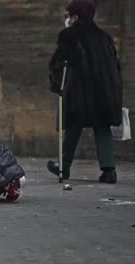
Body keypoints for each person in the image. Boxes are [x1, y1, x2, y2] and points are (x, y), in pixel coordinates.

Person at [47, 0, 123, 184]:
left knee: (73, 126)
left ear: (75, 16)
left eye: (69, 15)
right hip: (105, 92)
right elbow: (115, 66)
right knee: (102, 127)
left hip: (81, 93)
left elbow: (58, 63)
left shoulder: (69, 35)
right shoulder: (105, 37)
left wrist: (57, 84)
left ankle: (63, 167)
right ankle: (109, 170)